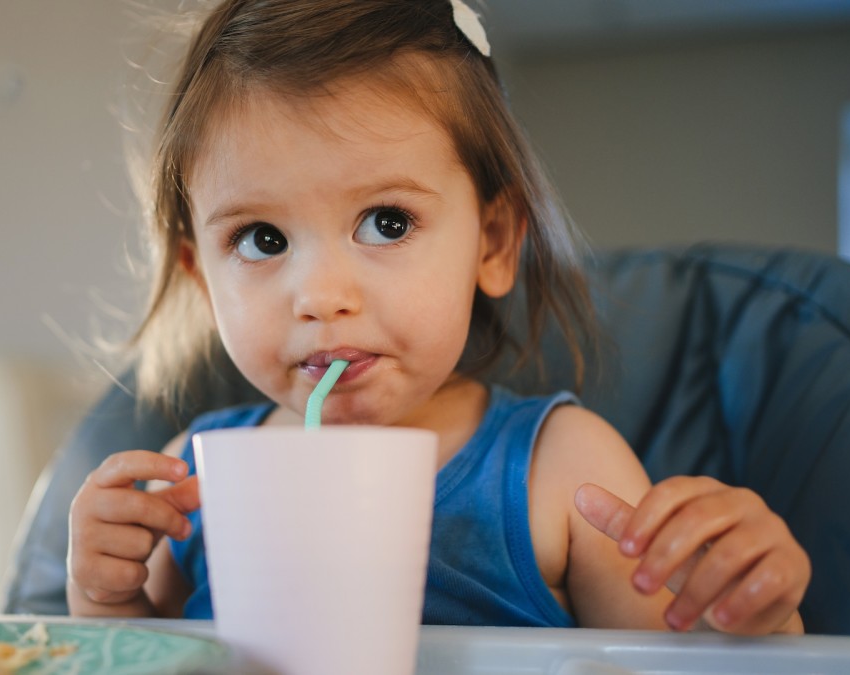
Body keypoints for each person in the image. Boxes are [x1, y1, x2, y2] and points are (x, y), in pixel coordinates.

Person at [66, 0, 810, 634]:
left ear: (491, 243)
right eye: (261, 239)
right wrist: (108, 596)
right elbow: (141, 656)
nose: (322, 295)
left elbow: (680, 656)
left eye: (386, 222)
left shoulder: (563, 471)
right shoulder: (194, 479)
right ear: (202, 277)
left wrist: (746, 610)